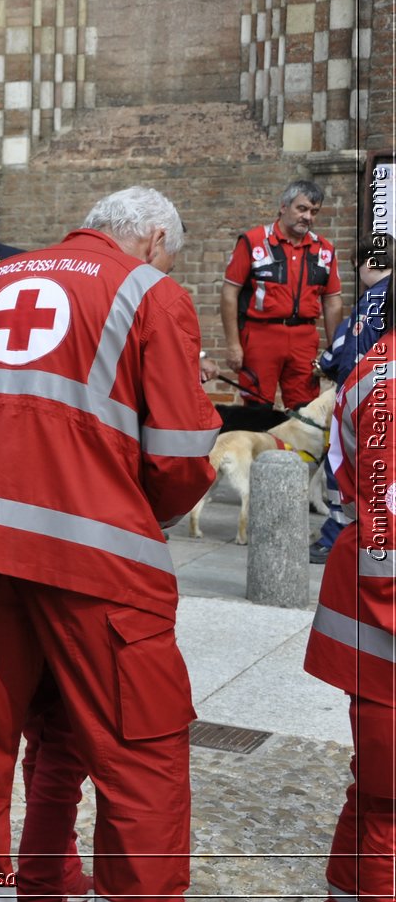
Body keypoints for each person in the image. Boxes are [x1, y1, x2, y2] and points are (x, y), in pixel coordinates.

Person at [0, 185, 221, 899]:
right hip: (98, 559)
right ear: (156, 239)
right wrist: (129, 508)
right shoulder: (150, 293)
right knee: (142, 755)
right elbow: (181, 455)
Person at [304, 303, 396, 901]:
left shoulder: (370, 369)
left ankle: (346, 886)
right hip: (383, 605)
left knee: (378, 788)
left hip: (369, 604)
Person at [221, 179, 343, 408]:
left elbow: (332, 302)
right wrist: (233, 344)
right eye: (302, 208)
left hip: (304, 338)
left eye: (314, 212)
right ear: (283, 207)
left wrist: (334, 350)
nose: (308, 217)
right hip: (260, 336)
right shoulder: (253, 242)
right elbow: (229, 293)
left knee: (305, 408)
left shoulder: (325, 250)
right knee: (257, 407)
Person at [311, 235, 391, 562]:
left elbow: (345, 349)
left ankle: (337, 535)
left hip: (361, 401)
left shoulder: (370, 302)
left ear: (369, 263)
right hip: (384, 401)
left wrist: (324, 364)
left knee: (342, 469)